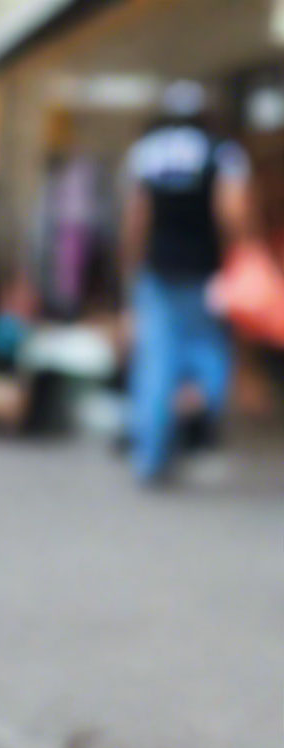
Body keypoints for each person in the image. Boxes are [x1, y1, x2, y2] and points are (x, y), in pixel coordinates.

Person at [120, 80, 253, 483]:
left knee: (156, 361)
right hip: (206, 274)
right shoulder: (223, 152)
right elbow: (231, 212)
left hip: (157, 272)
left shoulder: (146, 153)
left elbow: (136, 217)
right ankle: (193, 411)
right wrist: (245, 254)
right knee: (212, 356)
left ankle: (151, 457)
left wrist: (130, 265)